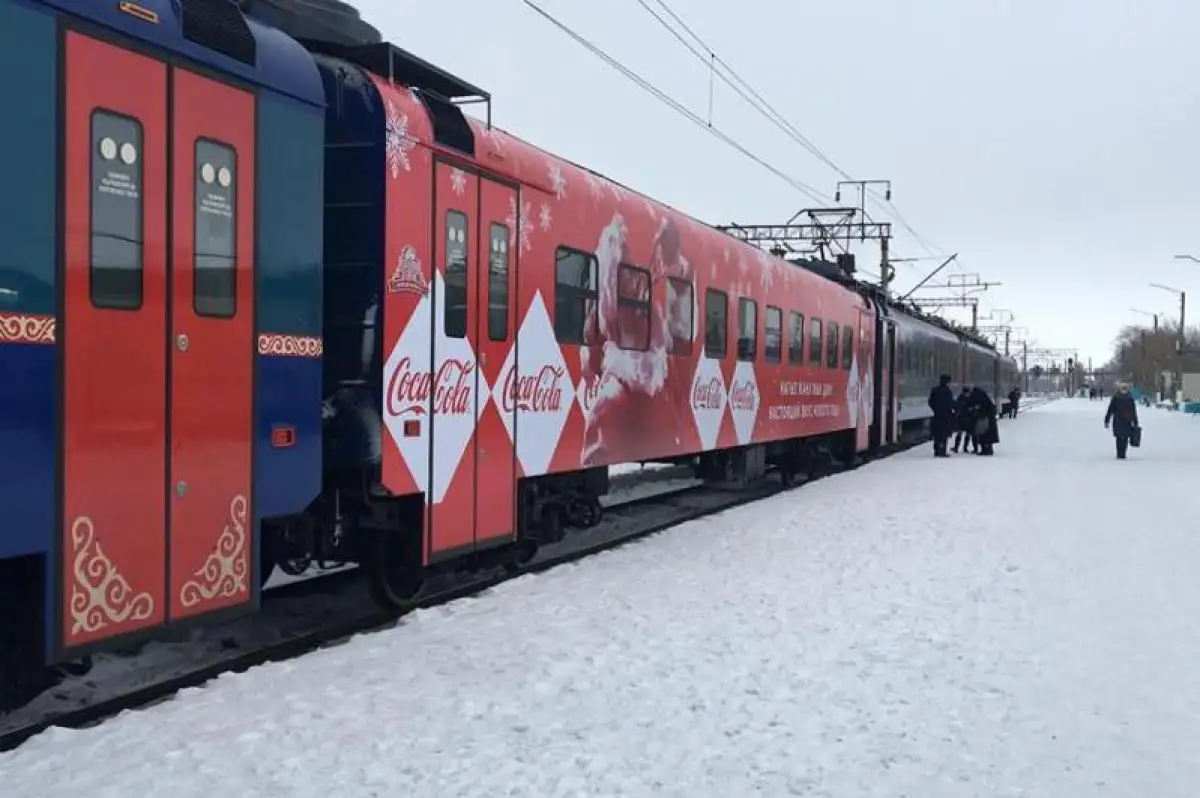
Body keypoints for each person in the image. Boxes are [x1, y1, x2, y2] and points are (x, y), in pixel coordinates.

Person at [1104, 382, 1140, 460]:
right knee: (1123, 437)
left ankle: (1120, 453)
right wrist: (1135, 421)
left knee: (1120, 437)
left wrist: (1107, 420)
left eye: (1124, 388)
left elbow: (1111, 409)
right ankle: (1122, 453)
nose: (1124, 390)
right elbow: (1133, 411)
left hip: (1119, 420)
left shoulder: (1116, 397)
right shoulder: (1129, 398)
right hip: (1126, 420)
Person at [927, 373, 955, 457]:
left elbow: (930, 402)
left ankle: (936, 450)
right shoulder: (948, 391)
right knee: (944, 435)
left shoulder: (934, 390)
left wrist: (935, 409)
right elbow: (950, 403)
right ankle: (942, 451)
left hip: (937, 415)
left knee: (937, 434)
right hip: (946, 416)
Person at [969, 385, 999, 456]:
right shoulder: (984, 397)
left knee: (984, 435)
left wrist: (975, 411)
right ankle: (988, 449)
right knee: (988, 436)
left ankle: (985, 450)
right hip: (989, 419)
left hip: (984, 420)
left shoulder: (978, 397)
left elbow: (980, 409)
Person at [952, 386, 973, 453]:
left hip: (961, 418)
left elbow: (956, 407)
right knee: (967, 434)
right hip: (967, 418)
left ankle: (956, 447)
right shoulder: (969, 399)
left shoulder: (959, 398)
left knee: (959, 433)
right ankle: (965, 448)